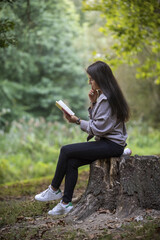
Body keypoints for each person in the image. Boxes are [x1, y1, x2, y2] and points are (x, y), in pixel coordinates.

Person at [35, 61, 131, 216]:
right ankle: (66, 203)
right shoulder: (103, 97)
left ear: (100, 78)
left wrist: (77, 121)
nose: (89, 82)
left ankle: (53, 189)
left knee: (66, 150)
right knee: (72, 162)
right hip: (107, 143)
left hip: (112, 145)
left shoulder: (107, 99)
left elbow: (98, 129)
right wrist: (92, 103)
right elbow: (97, 123)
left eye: (91, 78)